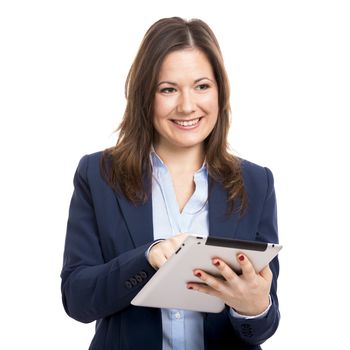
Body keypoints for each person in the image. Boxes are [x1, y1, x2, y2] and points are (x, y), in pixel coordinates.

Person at [60, 17, 280, 350]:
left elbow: (264, 323)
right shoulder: (98, 174)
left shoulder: (255, 183)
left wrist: (253, 309)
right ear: (145, 95)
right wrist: (147, 257)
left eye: (202, 86)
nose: (187, 106)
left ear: (220, 91)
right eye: (168, 89)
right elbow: (77, 300)